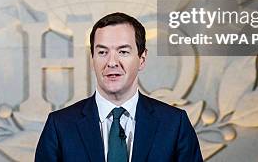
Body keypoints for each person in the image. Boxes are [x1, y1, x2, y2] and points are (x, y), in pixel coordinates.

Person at [35, 12, 203, 162]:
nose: (112, 62)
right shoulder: (59, 126)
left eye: (123, 52)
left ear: (142, 59)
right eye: (102, 52)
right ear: (92, 58)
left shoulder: (174, 123)